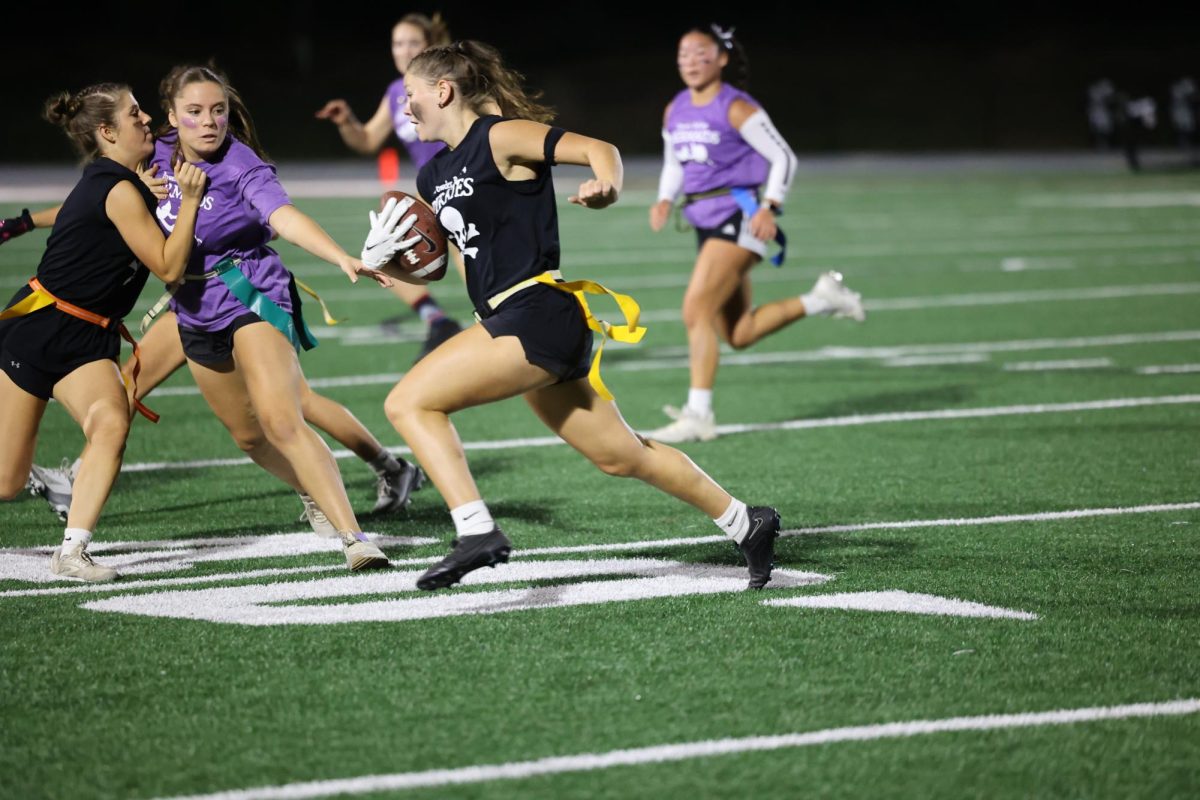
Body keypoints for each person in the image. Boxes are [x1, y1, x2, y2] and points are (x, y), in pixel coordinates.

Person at [360, 40, 782, 591]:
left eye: (411, 95)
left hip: (538, 311)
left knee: (408, 402)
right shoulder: (431, 175)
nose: (404, 107)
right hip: (512, 317)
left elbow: (599, 148)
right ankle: (747, 523)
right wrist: (392, 266)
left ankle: (475, 531)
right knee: (622, 456)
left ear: (443, 91)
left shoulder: (500, 136)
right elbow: (451, 265)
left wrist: (607, 185)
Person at [150, 62, 395, 570]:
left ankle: (355, 539)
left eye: (218, 110)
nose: (210, 121)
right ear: (171, 117)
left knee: (283, 419)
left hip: (251, 294)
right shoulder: (152, 155)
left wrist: (339, 256)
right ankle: (311, 490)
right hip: (194, 308)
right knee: (248, 436)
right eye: (194, 112)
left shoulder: (241, 164)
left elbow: (283, 216)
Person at [0, 81, 205, 581]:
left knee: (112, 422)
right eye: (134, 115)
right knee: (5, 482)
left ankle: (72, 552)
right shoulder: (116, 189)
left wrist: (23, 223)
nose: (145, 120)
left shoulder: (117, 181)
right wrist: (191, 199)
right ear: (107, 132)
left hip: (90, 338)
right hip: (42, 330)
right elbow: (169, 267)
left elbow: (77, 211)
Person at [646, 25, 866, 444]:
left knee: (695, 310)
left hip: (741, 216)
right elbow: (674, 161)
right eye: (683, 54)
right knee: (739, 333)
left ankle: (699, 416)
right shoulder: (675, 107)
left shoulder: (736, 107)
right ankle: (822, 299)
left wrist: (771, 205)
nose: (690, 61)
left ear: (722, 58)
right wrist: (664, 197)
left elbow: (783, 156)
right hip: (705, 221)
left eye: (699, 52)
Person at [315, 12, 464, 361]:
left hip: (461, 187)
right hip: (431, 192)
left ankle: (506, 330)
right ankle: (438, 321)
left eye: (414, 42)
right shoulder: (398, 91)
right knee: (379, 254)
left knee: (475, 269)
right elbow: (368, 140)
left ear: (430, 47)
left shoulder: (448, 83)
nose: (404, 49)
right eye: (398, 43)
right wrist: (346, 122)